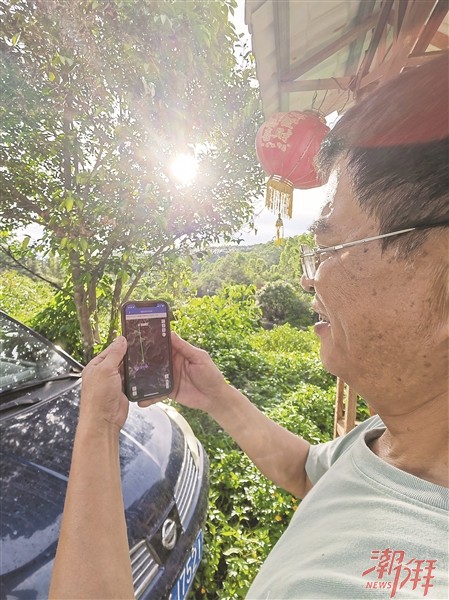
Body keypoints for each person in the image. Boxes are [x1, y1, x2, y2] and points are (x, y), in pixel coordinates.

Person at [49, 54, 448, 599]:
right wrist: (216, 395)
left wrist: (95, 429)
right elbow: (308, 473)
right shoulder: (394, 439)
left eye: (329, 248)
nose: (310, 281)